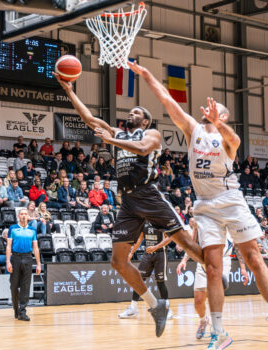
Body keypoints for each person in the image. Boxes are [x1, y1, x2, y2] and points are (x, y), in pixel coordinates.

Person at [130, 61, 268, 347]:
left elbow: (233, 138)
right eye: (210, 110)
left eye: (218, 111)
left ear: (225, 117)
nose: (210, 111)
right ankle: (219, 332)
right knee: (213, 268)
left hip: (231, 201)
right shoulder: (194, 130)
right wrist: (146, 75)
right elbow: (167, 100)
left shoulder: (228, 139)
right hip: (204, 205)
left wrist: (219, 122)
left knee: (254, 259)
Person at [56, 70, 205, 338]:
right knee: (117, 261)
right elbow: (89, 119)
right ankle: (155, 306)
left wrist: (109, 141)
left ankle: (214, 269)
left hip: (149, 195)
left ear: (145, 120)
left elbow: (142, 150)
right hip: (127, 201)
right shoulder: (118, 133)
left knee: (186, 243)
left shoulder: (152, 135)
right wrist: (69, 91)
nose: (132, 113)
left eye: (137, 112)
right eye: (132, 112)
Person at [176, 220, 249, 340]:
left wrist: (243, 268)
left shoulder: (230, 222)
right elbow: (192, 244)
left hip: (223, 261)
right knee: (198, 301)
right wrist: (184, 260)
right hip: (204, 260)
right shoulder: (203, 221)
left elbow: (238, 247)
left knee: (216, 291)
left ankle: (217, 329)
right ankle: (203, 321)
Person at [119, 222, 174, 320]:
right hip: (147, 254)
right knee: (138, 280)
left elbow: (170, 238)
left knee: (160, 282)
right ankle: (133, 308)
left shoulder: (161, 220)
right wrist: (131, 252)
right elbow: (140, 239)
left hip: (160, 254)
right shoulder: (144, 222)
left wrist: (156, 247)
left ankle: (167, 309)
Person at [6, 209, 41, 320]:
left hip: (28, 258)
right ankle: (16, 309)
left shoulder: (32, 230)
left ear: (28, 216)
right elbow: (8, 246)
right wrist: (8, 261)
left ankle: (23, 311)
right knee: (14, 286)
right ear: (18, 216)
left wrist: (38, 264)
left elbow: (35, 248)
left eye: (25, 214)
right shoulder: (13, 228)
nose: (24, 216)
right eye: (22, 214)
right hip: (15, 257)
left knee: (26, 286)